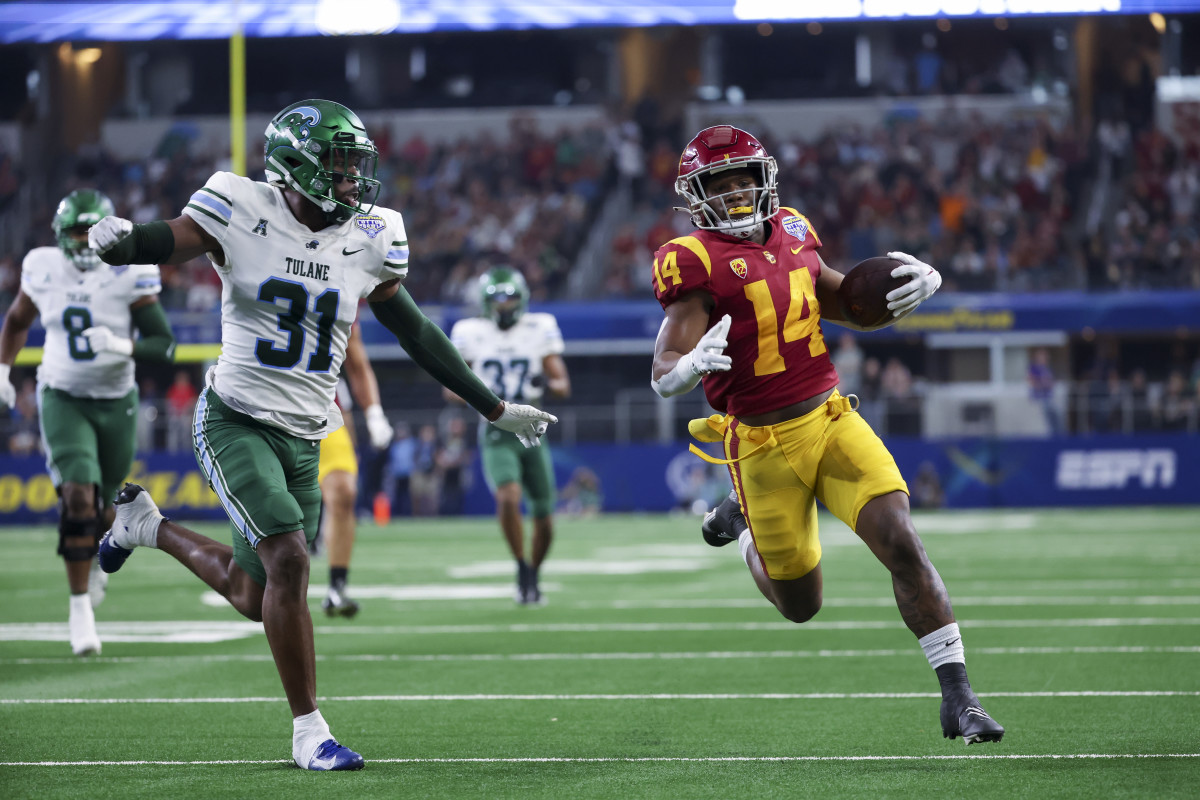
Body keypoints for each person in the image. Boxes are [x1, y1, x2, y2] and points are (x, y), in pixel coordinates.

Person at [89, 99, 556, 771]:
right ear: (295, 166)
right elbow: (170, 239)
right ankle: (310, 731)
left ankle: (145, 527)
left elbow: (417, 332)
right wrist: (124, 242)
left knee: (258, 595)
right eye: (337, 169)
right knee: (289, 561)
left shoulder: (370, 234)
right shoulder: (238, 205)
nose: (351, 183)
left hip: (308, 433)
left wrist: (492, 406)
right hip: (236, 417)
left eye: (353, 169)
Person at [650, 125, 1003, 745]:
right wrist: (684, 369)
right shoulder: (692, 259)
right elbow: (663, 370)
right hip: (759, 444)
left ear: (765, 181)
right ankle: (746, 531)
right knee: (801, 604)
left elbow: (844, 304)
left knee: (899, 538)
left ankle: (960, 697)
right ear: (695, 196)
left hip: (830, 418)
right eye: (720, 185)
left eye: (743, 182)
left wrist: (907, 285)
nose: (735, 196)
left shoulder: (793, 229)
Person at [0, 189, 176, 656]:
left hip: (116, 397)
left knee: (105, 507)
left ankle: (100, 561)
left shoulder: (129, 269)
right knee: (78, 498)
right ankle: (80, 610)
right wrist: (2, 369)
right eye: (74, 231)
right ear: (59, 236)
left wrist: (121, 346)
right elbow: (17, 319)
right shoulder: (42, 266)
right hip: (61, 394)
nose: (82, 240)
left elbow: (165, 344)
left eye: (89, 229)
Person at [447, 267, 571, 605]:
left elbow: (562, 384)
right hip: (495, 430)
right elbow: (450, 390)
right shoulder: (469, 331)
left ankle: (533, 572)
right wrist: (482, 396)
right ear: (486, 302)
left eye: (510, 297)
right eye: (497, 298)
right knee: (507, 496)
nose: (504, 305)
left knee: (545, 516)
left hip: (532, 430)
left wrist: (543, 384)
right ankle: (520, 566)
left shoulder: (539, 327)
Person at [317, 324, 394, 617]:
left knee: (344, 492)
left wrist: (374, 414)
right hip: (263, 405)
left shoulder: (341, 288)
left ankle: (337, 587)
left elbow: (357, 363)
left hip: (322, 408)